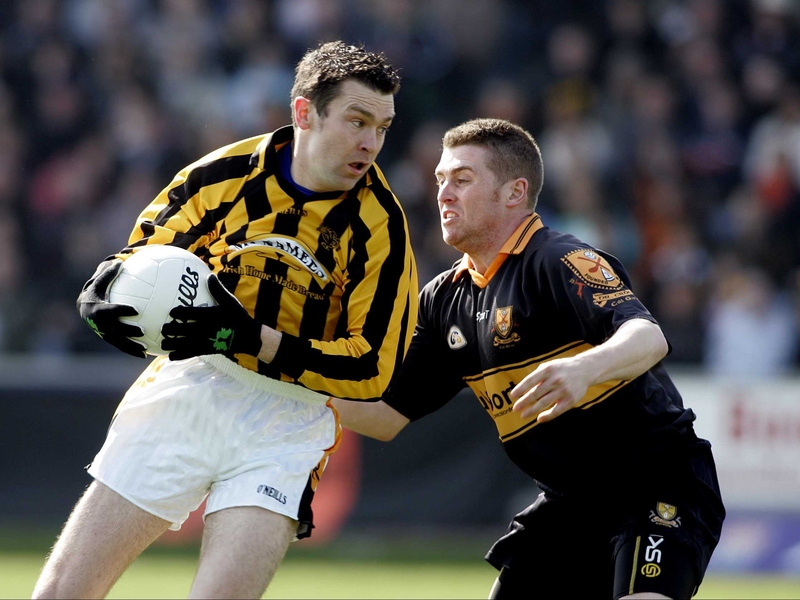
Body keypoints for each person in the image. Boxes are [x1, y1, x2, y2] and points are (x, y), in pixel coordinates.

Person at [33, 41, 418, 600]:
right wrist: (106, 287)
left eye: (382, 127)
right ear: (304, 112)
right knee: (61, 594)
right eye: (357, 121)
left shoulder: (381, 225)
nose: (370, 143)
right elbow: (143, 257)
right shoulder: (225, 175)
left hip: (286, 421)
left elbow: (372, 369)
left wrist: (256, 340)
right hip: (188, 385)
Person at [332, 118, 725, 599]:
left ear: (514, 192)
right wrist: (279, 378)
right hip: (570, 505)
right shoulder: (442, 300)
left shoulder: (557, 260)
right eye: (440, 180)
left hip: (657, 481)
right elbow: (383, 415)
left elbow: (648, 337)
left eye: (462, 179)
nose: (443, 194)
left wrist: (584, 368)